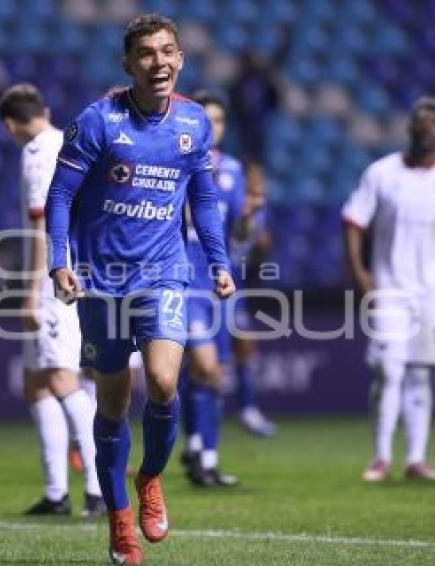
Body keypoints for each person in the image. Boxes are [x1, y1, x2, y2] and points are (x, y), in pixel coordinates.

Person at [45, 14, 235, 565]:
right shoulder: (98, 121)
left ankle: (151, 477)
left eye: (169, 52)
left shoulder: (194, 123)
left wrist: (219, 262)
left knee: (162, 379)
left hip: (165, 273)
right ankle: (118, 519)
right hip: (102, 282)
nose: (160, 62)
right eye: (148, 54)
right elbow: (60, 197)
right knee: (111, 404)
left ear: (182, 60)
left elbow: (203, 199)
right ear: (128, 65)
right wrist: (59, 263)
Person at [342, 96, 435, 482]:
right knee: (389, 372)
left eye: (432, 126)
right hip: (389, 288)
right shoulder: (382, 173)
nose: (425, 131)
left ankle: (416, 459)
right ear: (409, 129)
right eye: (420, 125)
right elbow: (354, 221)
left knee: (420, 374)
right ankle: (380, 457)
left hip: (430, 292)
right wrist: (359, 271)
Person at [0, 83, 104, 517]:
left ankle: (96, 489)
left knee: (61, 380)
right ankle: (57, 492)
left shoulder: (39, 155)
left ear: (9, 124)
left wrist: (32, 291)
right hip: (74, 270)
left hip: (54, 278)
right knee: (37, 383)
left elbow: (46, 226)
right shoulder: (68, 142)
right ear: (46, 109)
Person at [178, 90, 250, 488]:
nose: (214, 128)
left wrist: (249, 221)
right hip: (183, 281)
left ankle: (204, 455)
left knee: (213, 373)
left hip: (217, 283)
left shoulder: (233, 170)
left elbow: (238, 235)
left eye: (220, 121)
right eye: (207, 119)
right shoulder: (175, 163)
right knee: (204, 365)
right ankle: (197, 452)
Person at [230, 160, 278, 439]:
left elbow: (251, 259)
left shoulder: (260, 215)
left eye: (262, 192)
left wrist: (260, 252)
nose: (259, 197)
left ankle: (248, 409)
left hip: (235, 284)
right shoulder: (230, 206)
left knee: (245, 344)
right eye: (253, 191)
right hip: (208, 281)